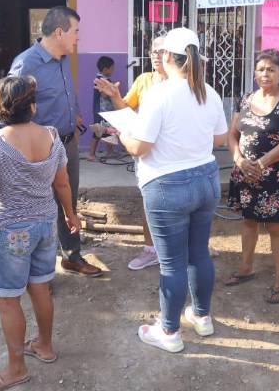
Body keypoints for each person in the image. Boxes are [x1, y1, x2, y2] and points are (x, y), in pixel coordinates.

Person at [0, 76, 82, 391]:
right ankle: (44, 345)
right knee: (40, 287)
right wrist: (71, 215)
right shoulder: (53, 136)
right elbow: (62, 184)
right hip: (45, 225)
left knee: (7, 298)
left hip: (11, 231)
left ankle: (16, 369)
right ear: (32, 105)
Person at [118, 27, 228, 353]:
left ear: (167, 57)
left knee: (172, 265)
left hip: (167, 186)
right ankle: (202, 317)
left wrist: (123, 132)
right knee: (199, 255)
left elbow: (139, 147)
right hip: (206, 179)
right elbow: (220, 140)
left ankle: (169, 332)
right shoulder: (209, 92)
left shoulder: (159, 94)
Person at [8, 6, 102, 277]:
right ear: (59, 32)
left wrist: (76, 114)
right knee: (37, 208)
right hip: (38, 150)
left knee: (67, 201)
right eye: (76, 32)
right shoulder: (27, 64)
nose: (78, 38)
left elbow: (61, 94)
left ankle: (71, 256)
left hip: (68, 142)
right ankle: (37, 272)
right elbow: (10, 111)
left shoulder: (62, 58)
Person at [224, 49, 279, 304]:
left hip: (276, 176)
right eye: (260, 69)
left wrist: (261, 163)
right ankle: (245, 269)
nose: (265, 74)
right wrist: (238, 159)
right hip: (246, 173)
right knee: (248, 222)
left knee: (277, 228)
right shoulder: (246, 99)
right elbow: (232, 134)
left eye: (271, 69)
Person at [94, 35, 168, 270]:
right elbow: (126, 108)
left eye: (162, 50)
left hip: (175, 155)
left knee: (177, 205)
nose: (156, 55)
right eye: (153, 50)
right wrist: (115, 98)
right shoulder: (144, 80)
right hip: (146, 155)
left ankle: (179, 250)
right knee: (150, 201)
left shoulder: (184, 83)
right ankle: (151, 250)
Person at [88, 55, 116, 161]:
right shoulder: (99, 80)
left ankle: (110, 152)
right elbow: (104, 95)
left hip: (107, 111)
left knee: (109, 131)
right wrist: (112, 89)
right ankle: (91, 154)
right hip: (100, 111)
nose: (113, 70)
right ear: (105, 69)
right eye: (112, 68)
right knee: (98, 132)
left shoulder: (106, 79)